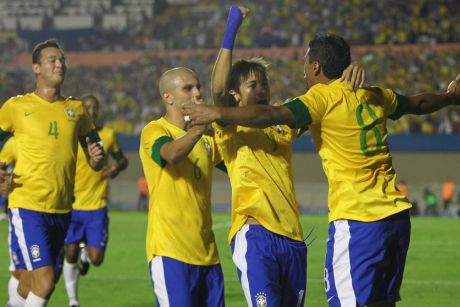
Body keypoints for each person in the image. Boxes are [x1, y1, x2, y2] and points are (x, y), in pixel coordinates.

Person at [183, 31, 460, 306]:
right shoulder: (374, 94)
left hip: (356, 219)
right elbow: (417, 103)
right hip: (394, 218)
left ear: (315, 66)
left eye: (305, 62)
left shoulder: (318, 100)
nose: (303, 71)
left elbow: (271, 115)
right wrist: (449, 97)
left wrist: (217, 112)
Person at [184, 6, 362, 307]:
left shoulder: (282, 122)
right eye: (253, 85)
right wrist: (232, 28)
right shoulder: (229, 123)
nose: (263, 88)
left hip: (293, 238)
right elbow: (217, 88)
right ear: (235, 96)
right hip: (256, 235)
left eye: (264, 83)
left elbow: (325, 102)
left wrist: (346, 72)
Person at [0, 39, 105, 307]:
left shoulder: (78, 109)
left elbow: (95, 159)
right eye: (53, 60)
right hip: (27, 206)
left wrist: (96, 158)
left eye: (62, 60)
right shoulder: (17, 106)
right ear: (36, 67)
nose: (60, 64)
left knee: (32, 280)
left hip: (62, 211)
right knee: (44, 281)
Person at [139, 67, 225, 306]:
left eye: (198, 87)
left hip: (208, 256)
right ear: (168, 97)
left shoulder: (207, 141)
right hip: (171, 253)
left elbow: (239, 166)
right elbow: (169, 154)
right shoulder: (155, 130)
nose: (197, 93)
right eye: (188, 88)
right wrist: (198, 127)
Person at [63, 94, 128, 307]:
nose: (91, 111)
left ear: (98, 111)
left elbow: (123, 160)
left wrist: (115, 168)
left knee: (97, 259)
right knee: (69, 254)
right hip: (72, 205)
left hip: (97, 206)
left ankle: (86, 253)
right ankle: (73, 301)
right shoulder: (71, 134)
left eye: (94, 107)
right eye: (87, 107)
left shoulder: (108, 135)